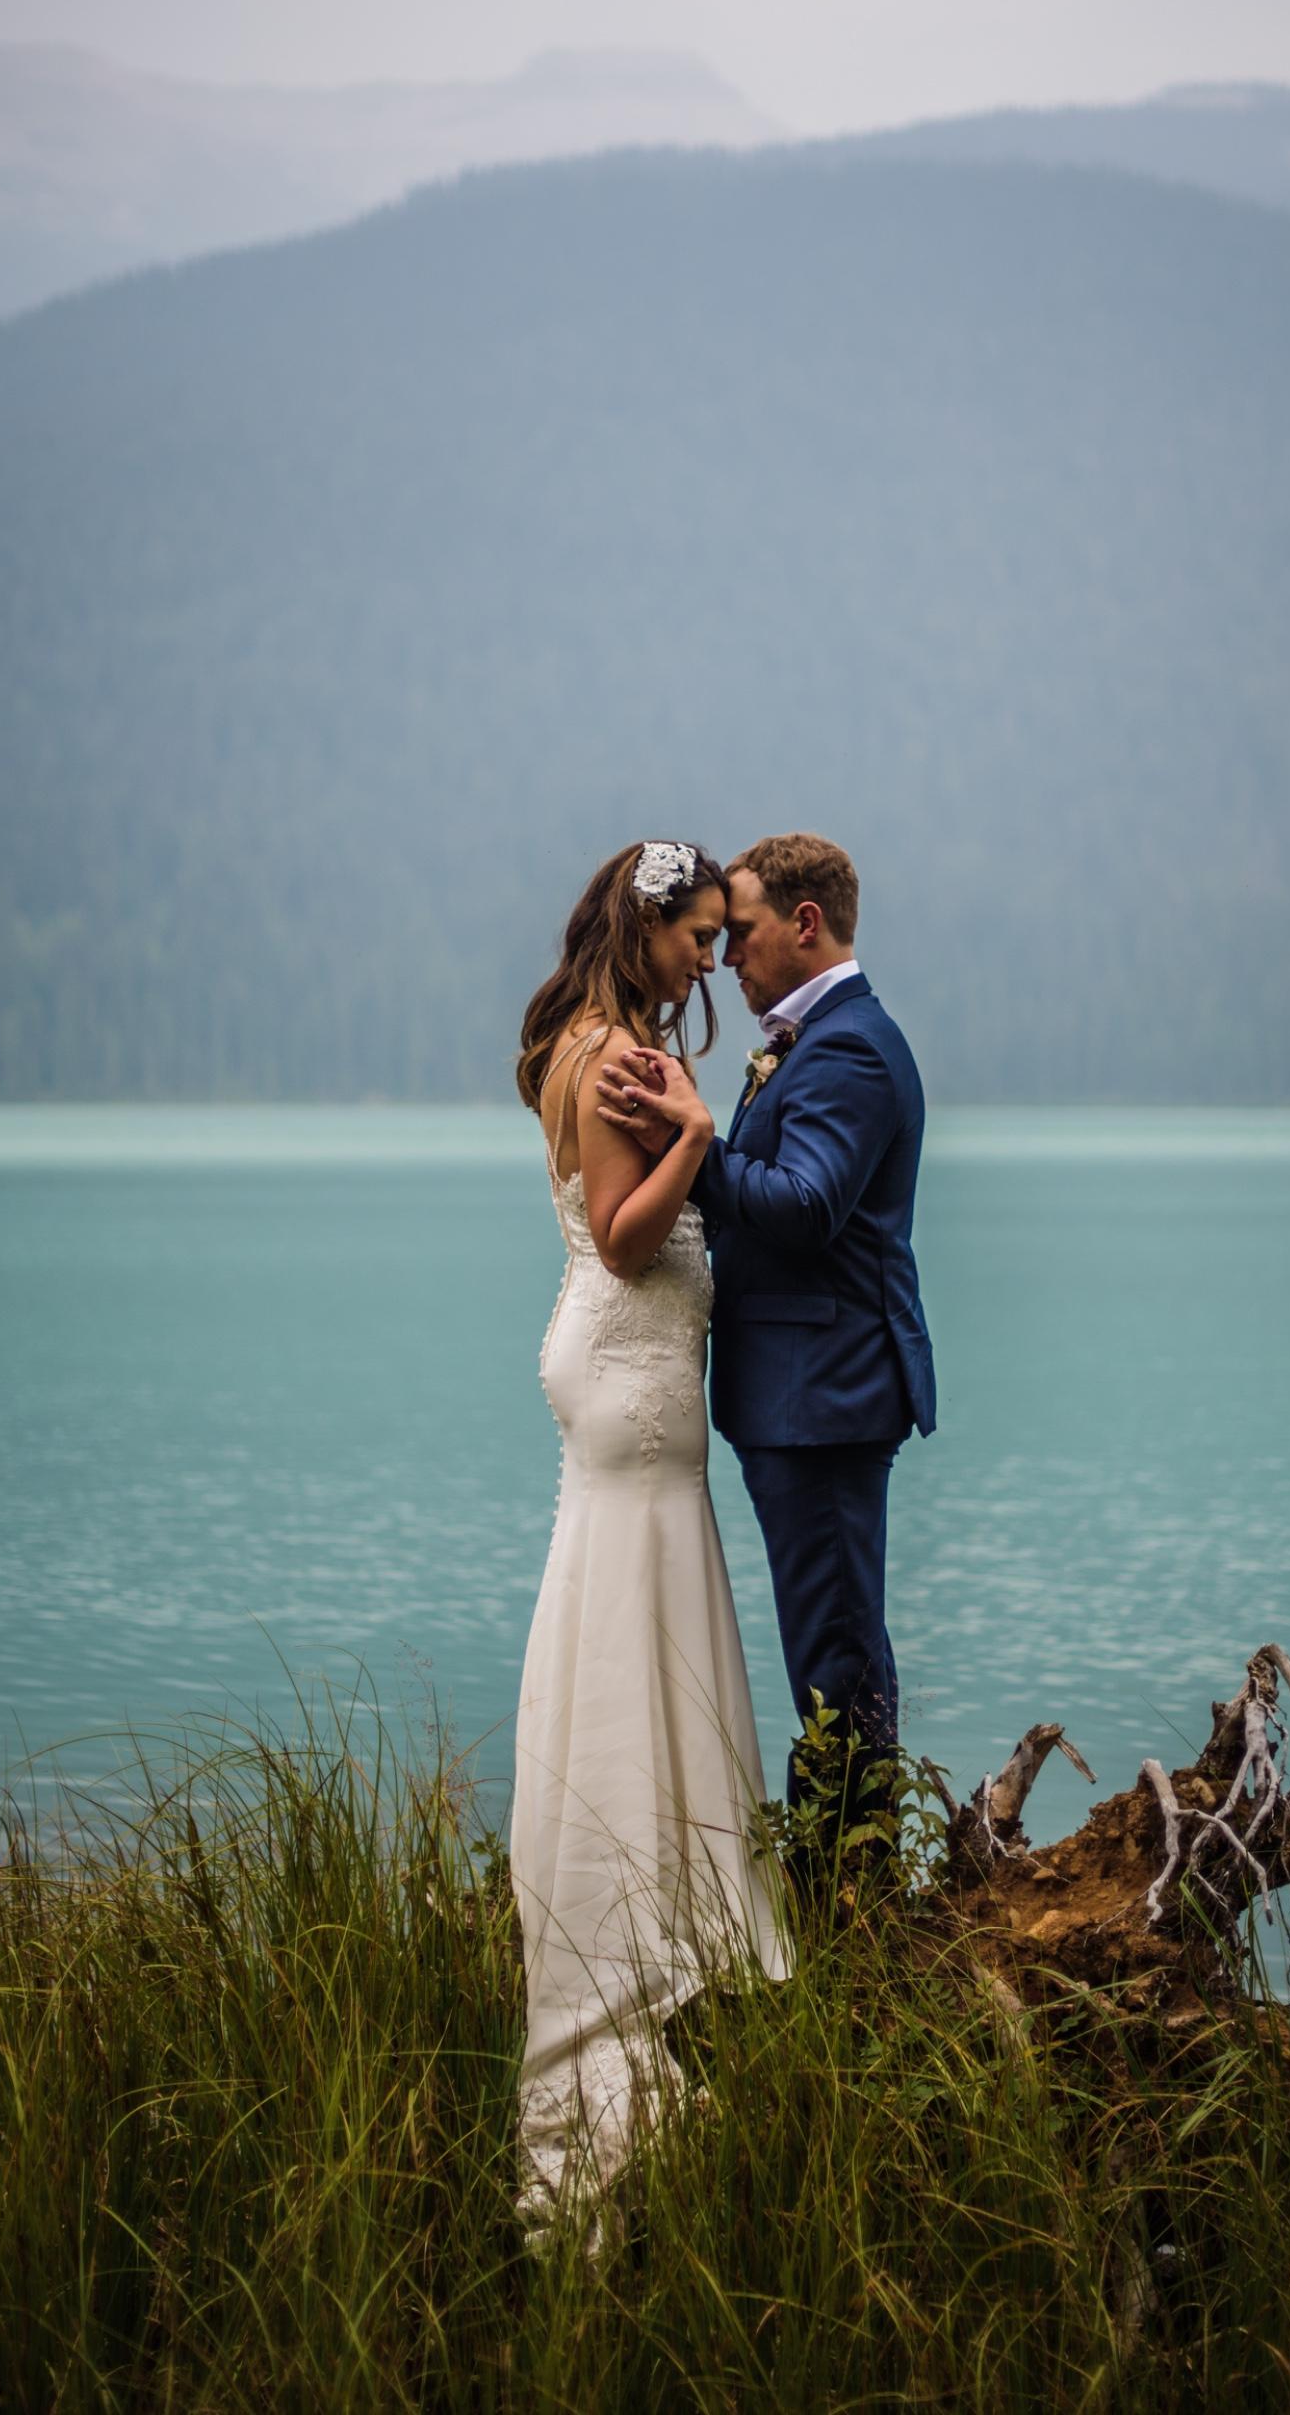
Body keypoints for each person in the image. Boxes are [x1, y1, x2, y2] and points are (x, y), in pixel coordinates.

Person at [510, 838, 788, 2236]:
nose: (706, 961)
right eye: (694, 937)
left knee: (619, 1623)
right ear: (650, 927)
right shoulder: (619, 1059)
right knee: (636, 1622)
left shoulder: (584, 1036)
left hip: (615, 1384)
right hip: (628, 1384)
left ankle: (646, 1895)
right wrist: (696, 1137)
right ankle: (629, 1947)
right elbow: (623, 1239)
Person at [599, 832, 934, 1842]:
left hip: (824, 1397)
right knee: (831, 1650)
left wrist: (693, 1140)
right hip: (803, 1391)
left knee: (835, 1660)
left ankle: (848, 1904)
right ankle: (847, 1884)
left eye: (740, 935)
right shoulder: (818, 1039)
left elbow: (803, 1206)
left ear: (804, 924)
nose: (725, 958)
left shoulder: (849, 1048)